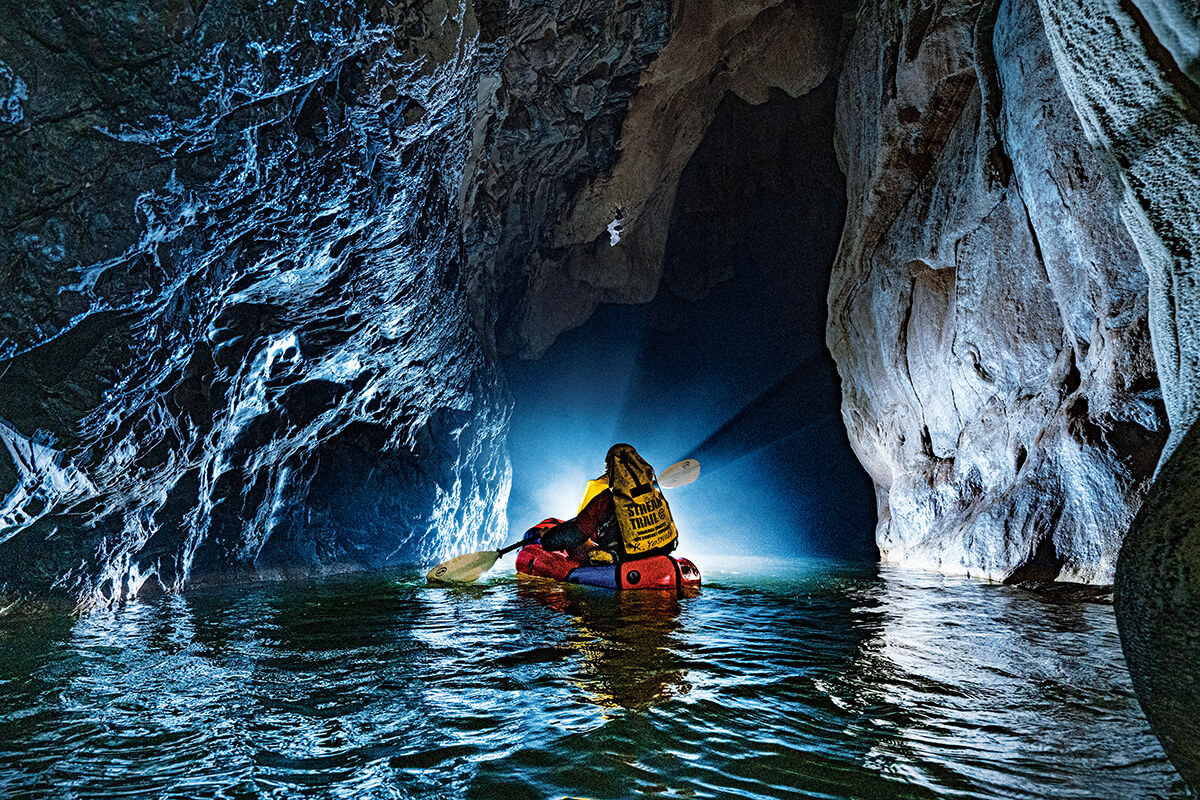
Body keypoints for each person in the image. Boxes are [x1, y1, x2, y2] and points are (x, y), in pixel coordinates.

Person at [527, 443, 679, 565]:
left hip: (625, 557)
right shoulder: (655, 494)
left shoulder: (606, 500)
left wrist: (547, 539)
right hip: (664, 549)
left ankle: (612, 556)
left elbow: (575, 535)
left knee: (577, 544)